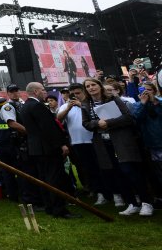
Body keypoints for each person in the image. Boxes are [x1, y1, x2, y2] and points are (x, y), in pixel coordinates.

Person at [81, 77, 153, 216]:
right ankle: (132, 203)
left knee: (130, 171)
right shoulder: (86, 104)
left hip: (121, 140)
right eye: (88, 86)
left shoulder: (112, 99)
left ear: (99, 86)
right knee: (117, 174)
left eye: (93, 84)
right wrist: (97, 124)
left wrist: (108, 123)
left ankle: (146, 202)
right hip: (103, 143)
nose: (91, 88)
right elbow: (86, 124)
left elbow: (128, 117)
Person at [21, 82, 78, 218]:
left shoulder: (26, 106)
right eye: (43, 90)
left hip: (36, 149)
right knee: (54, 179)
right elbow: (49, 128)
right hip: (48, 148)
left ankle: (49, 207)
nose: (45, 92)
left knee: (44, 179)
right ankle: (59, 210)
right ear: (35, 91)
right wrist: (61, 144)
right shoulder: (37, 106)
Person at [58, 83, 107, 204]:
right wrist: (68, 108)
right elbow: (58, 119)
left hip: (95, 139)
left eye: (78, 93)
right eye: (73, 94)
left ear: (84, 92)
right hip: (77, 142)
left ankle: (112, 191)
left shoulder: (89, 104)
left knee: (103, 166)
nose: (75, 96)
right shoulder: (65, 106)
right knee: (88, 169)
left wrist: (82, 106)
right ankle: (98, 192)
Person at [133, 82, 162, 203]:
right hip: (153, 144)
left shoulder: (160, 103)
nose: (146, 93)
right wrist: (143, 103)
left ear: (154, 91)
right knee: (159, 172)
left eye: (148, 90)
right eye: (143, 91)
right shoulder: (138, 105)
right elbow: (136, 119)